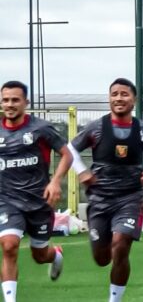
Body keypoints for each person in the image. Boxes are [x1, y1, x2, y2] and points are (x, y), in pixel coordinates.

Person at [68, 78, 143, 302]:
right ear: (109, 98)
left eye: (124, 94)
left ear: (134, 99)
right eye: (114, 94)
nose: (119, 98)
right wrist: (82, 171)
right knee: (102, 258)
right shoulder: (97, 127)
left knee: (121, 245)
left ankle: (114, 299)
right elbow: (70, 148)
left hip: (130, 198)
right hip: (100, 199)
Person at [0, 81, 72, 302]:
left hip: (39, 202)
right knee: (9, 245)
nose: (10, 104)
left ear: (26, 102)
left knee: (40, 255)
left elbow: (67, 154)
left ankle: (55, 255)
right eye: (5, 100)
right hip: (7, 200)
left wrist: (56, 182)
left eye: (15, 100)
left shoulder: (40, 129)